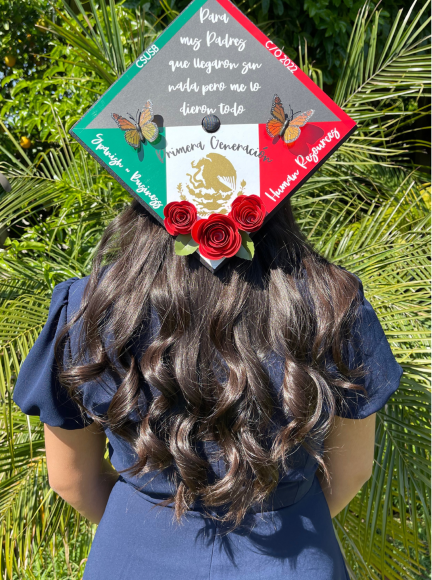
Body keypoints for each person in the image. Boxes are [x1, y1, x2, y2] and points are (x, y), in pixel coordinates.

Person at [13, 197, 402, 580]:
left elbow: (70, 479)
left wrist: (155, 524)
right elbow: (351, 471)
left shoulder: (87, 306)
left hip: (132, 556)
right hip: (293, 556)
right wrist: (284, 514)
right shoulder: (332, 303)